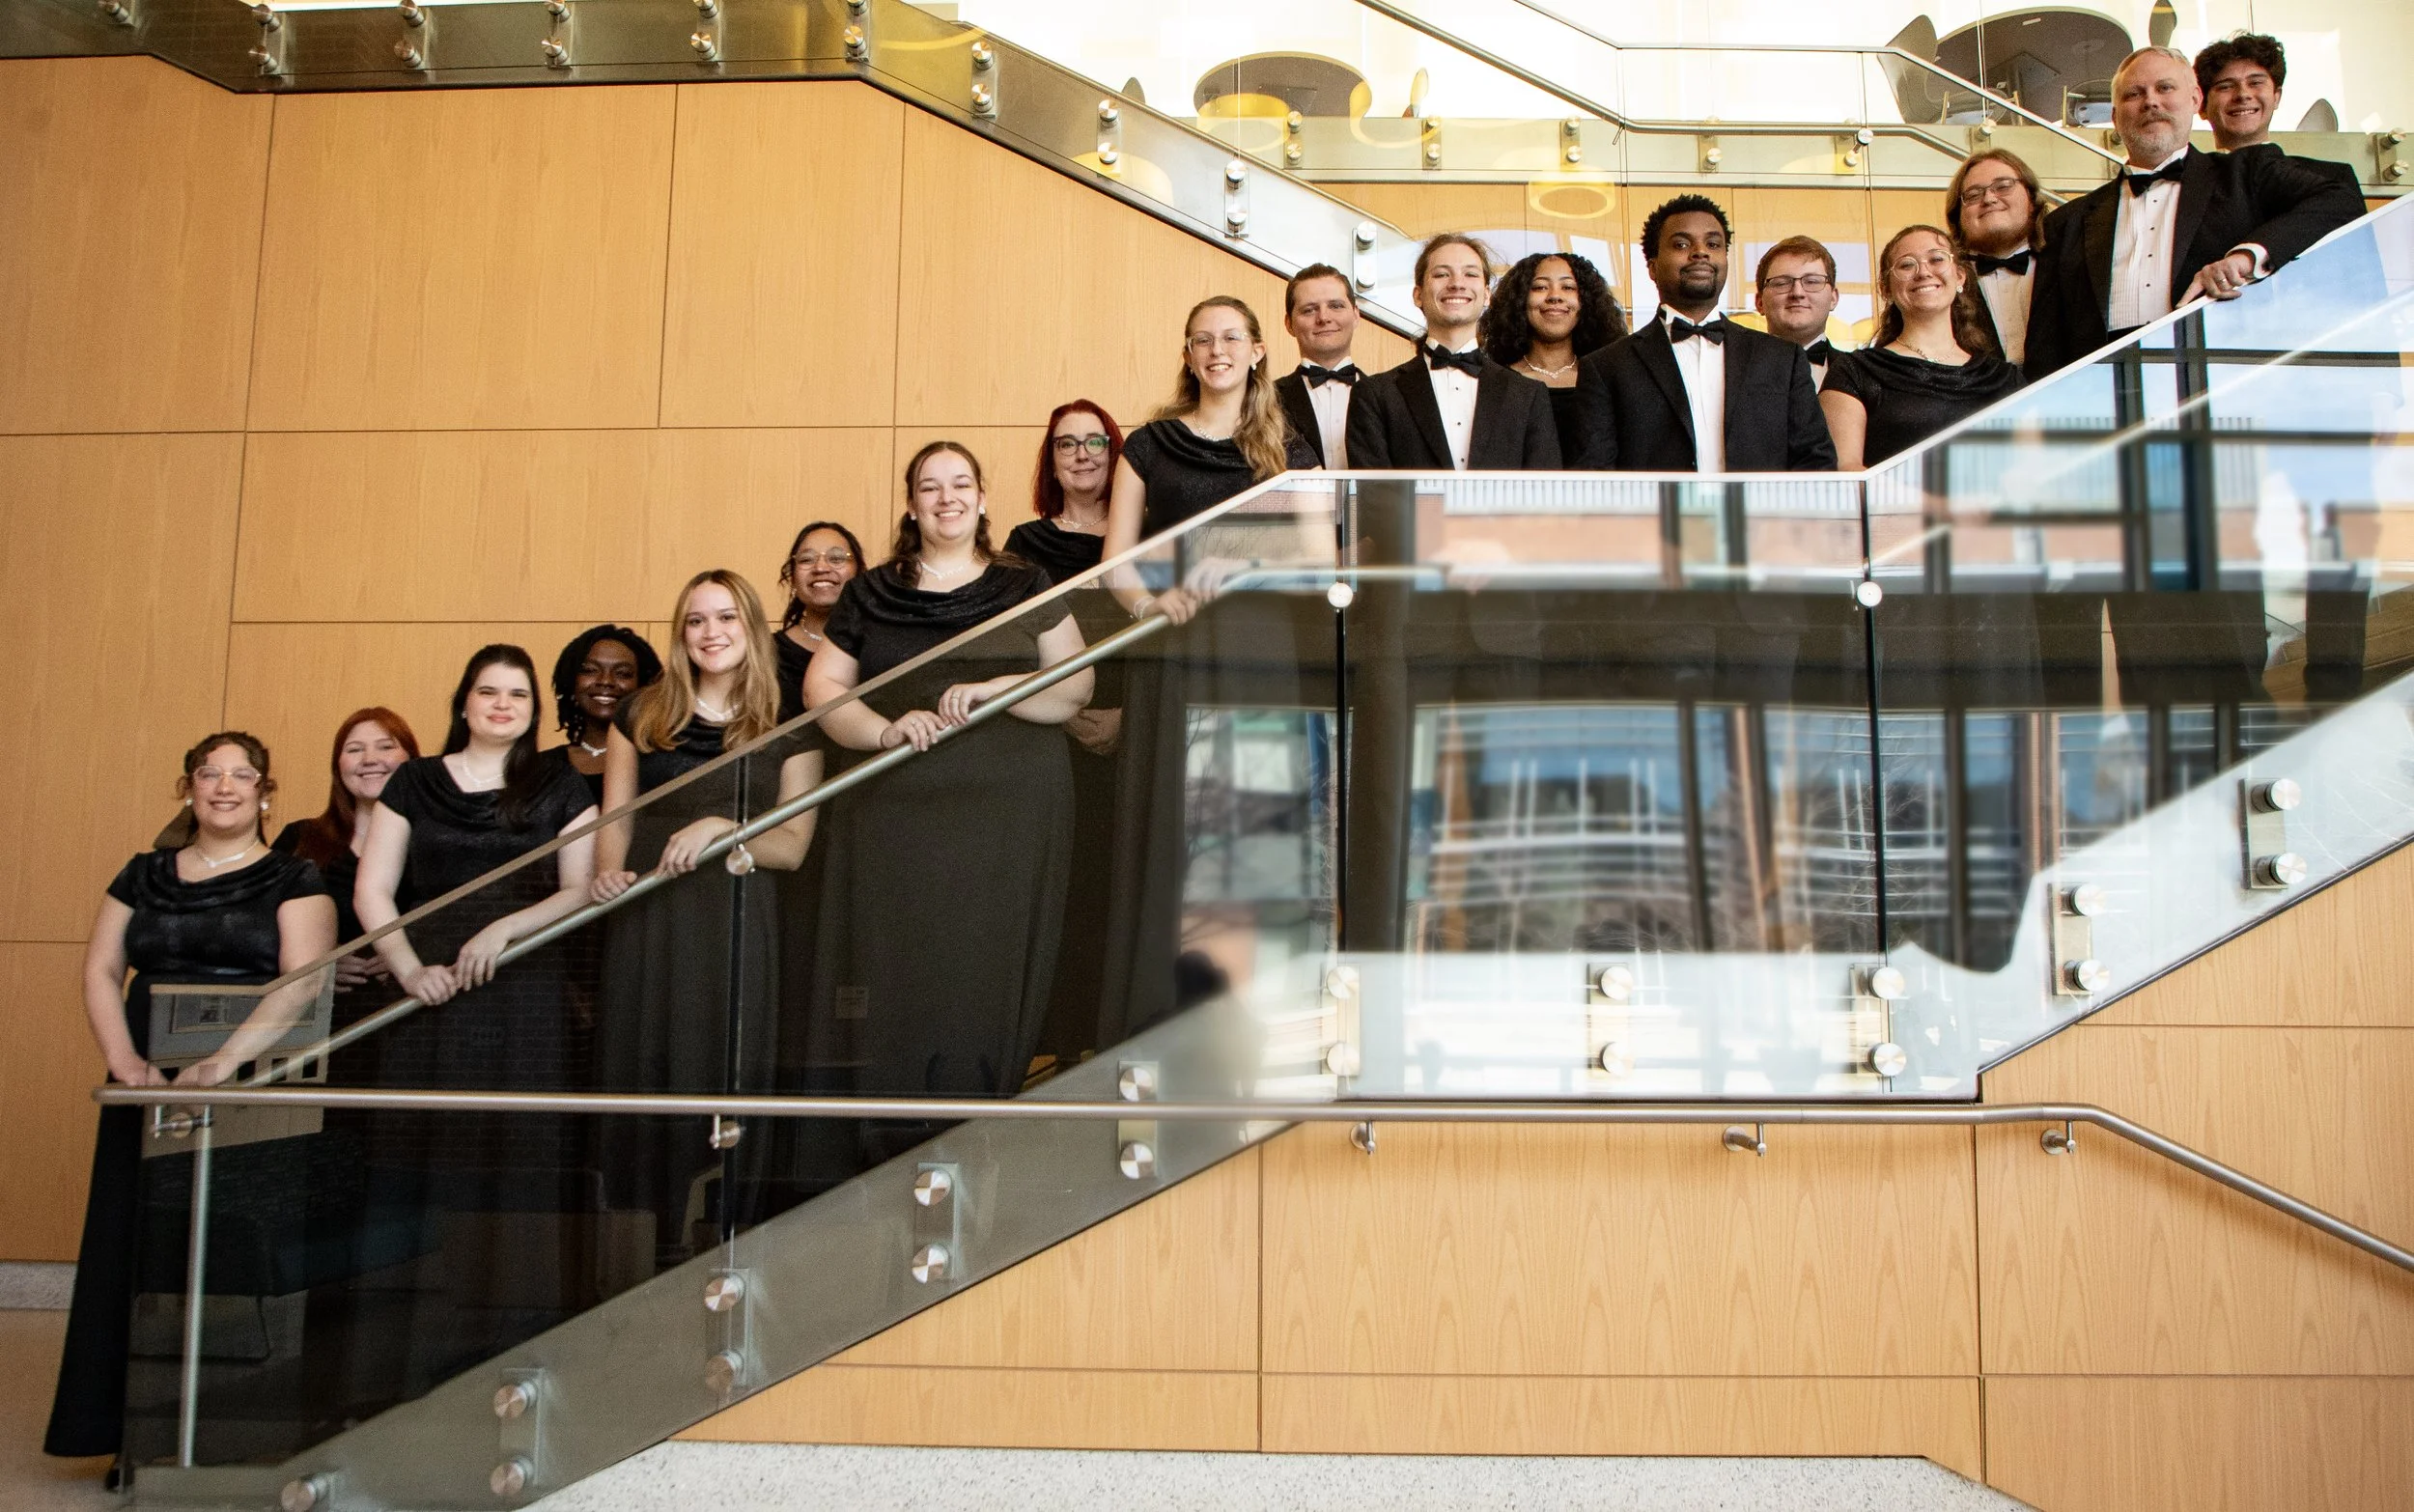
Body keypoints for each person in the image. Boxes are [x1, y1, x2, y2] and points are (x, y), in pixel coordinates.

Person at [47, 734, 335, 1473]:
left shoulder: (296, 876)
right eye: (211, 774)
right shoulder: (143, 873)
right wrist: (125, 1064)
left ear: (267, 793)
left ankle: (216, 1441)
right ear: (188, 788)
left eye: (243, 776)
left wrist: (221, 1065)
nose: (226, 787)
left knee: (212, 1252)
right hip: (142, 1078)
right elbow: (102, 967)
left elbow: (301, 982)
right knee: (131, 1244)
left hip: (246, 1081)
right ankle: (129, 1440)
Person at [804, 442, 1092, 1126]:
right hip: (900, 817)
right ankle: (894, 1134)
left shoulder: (1026, 582)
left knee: (985, 982)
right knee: (902, 976)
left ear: (984, 498)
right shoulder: (870, 591)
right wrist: (884, 731)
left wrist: (997, 689)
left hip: (1011, 819)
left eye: (961, 484)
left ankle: (978, 1124)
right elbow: (823, 689)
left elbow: (1075, 688)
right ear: (911, 504)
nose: (947, 498)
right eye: (930, 488)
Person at [590, 571, 821, 1261]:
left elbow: (793, 847)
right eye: (696, 621)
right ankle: (636, 1250)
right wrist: (608, 871)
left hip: (733, 922)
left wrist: (725, 827)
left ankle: (716, 1246)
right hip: (648, 920)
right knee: (642, 1068)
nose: (711, 633)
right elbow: (617, 819)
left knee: (721, 1070)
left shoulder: (790, 725)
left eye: (726, 618)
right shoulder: (641, 715)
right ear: (680, 633)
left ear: (751, 628)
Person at [2023, 46, 2363, 378]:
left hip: (2221, 382)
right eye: (2134, 94)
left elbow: (2339, 199)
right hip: (2104, 397)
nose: (2151, 101)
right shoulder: (2065, 223)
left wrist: (2245, 258)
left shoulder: (2246, 172)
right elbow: (2046, 348)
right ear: (2114, 117)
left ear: (2195, 100)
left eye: (2165, 88)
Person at [1006, 403, 1130, 1069]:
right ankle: (1057, 1046)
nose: (1081, 454)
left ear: (1115, 452)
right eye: (1065, 445)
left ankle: (1118, 1040)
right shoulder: (1025, 544)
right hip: (1053, 738)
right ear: (1050, 461)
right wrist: (1076, 715)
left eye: (1094, 441)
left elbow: (1169, 633)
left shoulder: (1145, 534)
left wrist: (1129, 715)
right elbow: (1017, 648)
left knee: (1126, 884)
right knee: (1067, 889)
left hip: (1142, 729)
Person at [1573, 195, 1836, 472]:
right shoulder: (1606, 367)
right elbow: (1595, 476)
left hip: (1760, 516)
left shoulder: (1783, 359)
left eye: (1713, 244)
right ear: (1652, 267)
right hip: (1656, 516)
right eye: (1682, 244)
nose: (1700, 252)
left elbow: (1815, 462)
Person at [1347, 234, 1562, 471]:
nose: (1457, 284)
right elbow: (1375, 498)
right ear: (1418, 295)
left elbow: (1544, 497)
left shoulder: (1528, 396)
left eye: (1470, 274)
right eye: (1441, 274)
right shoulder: (1374, 395)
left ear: (1487, 294)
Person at [1820, 225, 2024, 469]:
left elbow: (2031, 472)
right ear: (1886, 289)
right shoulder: (1853, 371)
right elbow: (1846, 471)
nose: (1923, 272)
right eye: (1906, 265)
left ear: (1960, 277)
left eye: (1937, 259)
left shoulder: (2006, 378)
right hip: (1896, 509)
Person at [270, 707, 420, 1037]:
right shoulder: (301, 840)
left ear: (411, 759)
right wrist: (314, 965)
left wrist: (408, 954)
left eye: (385, 746)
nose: (370, 759)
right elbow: (257, 925)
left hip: (411, 1016)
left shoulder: (435, 844)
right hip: (313, 1025)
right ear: (338, 767)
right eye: (354, 749)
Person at [1480, 248, 1627, 458]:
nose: (1555, 296)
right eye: (1540, 287)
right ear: (1519, 301)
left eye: (1568, 287)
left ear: (1587, 302)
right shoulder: (1494, 382)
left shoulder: (1609, 380)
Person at [2194, 33, 2360, 192]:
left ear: (2276, 97)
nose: (2243, 95)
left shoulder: (2333, 179)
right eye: (2226, 86)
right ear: (2201, 106)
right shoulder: (2185, 187)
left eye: (2256, 83)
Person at [1946, 150, 2048, 369]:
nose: (1989, 199)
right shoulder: (1944, 280)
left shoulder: (2065, 261)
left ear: (2031, 199)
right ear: (1958, 217)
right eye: (1973, 195)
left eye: (2003, 186)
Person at [548, 627, 663, 809]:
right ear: (571, 681)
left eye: (623, 674)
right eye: (590, 670)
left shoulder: (661, 764)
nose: (606, 681)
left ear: (644, 685)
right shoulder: (540, 768)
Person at [773, 522, 865, 725]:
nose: (821, 568)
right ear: (793, 577)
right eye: (806, 560)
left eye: (837, 558)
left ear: (859, 571)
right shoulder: (766, 653)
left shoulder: (878, 644)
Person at [1273, 264, 1361, 468]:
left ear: (1356, 315)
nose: (1324, 318)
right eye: (1309, 310)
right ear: (1289, 324)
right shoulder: (1266, 401)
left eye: (1336, 306)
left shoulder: (1388, 396)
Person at [1753, 237, 1842, 389]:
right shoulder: (1734, 369)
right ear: (1759, 302)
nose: (1797, 293)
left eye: (1812, 281)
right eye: (1781, 283)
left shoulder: (1863, 372)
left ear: (1833, 298)